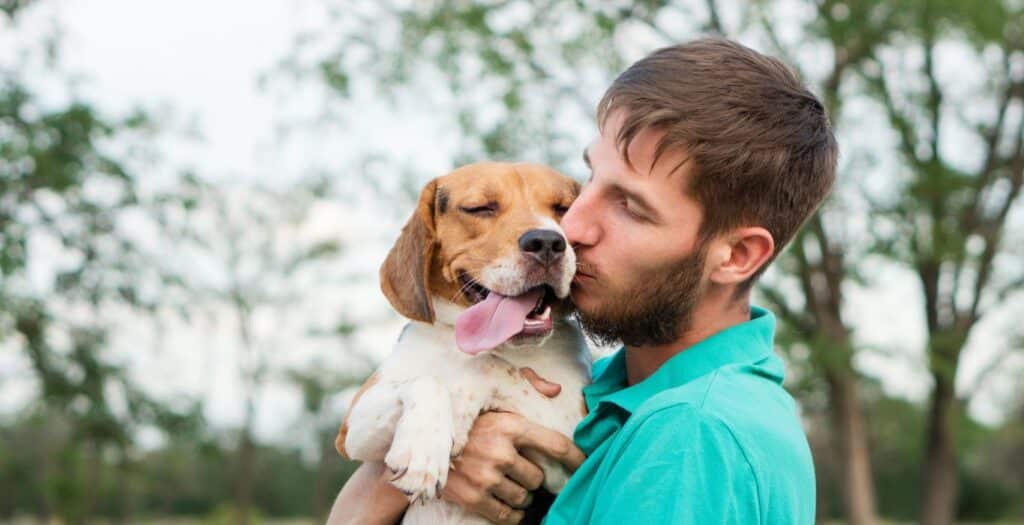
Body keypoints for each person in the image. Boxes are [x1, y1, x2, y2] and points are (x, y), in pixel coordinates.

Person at [329, 37, 836, 525]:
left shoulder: (692, 437)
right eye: (590, 180)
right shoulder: (615, 384)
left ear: (737, 256)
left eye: (629, 206)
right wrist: (443, 453)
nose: (570, 229)